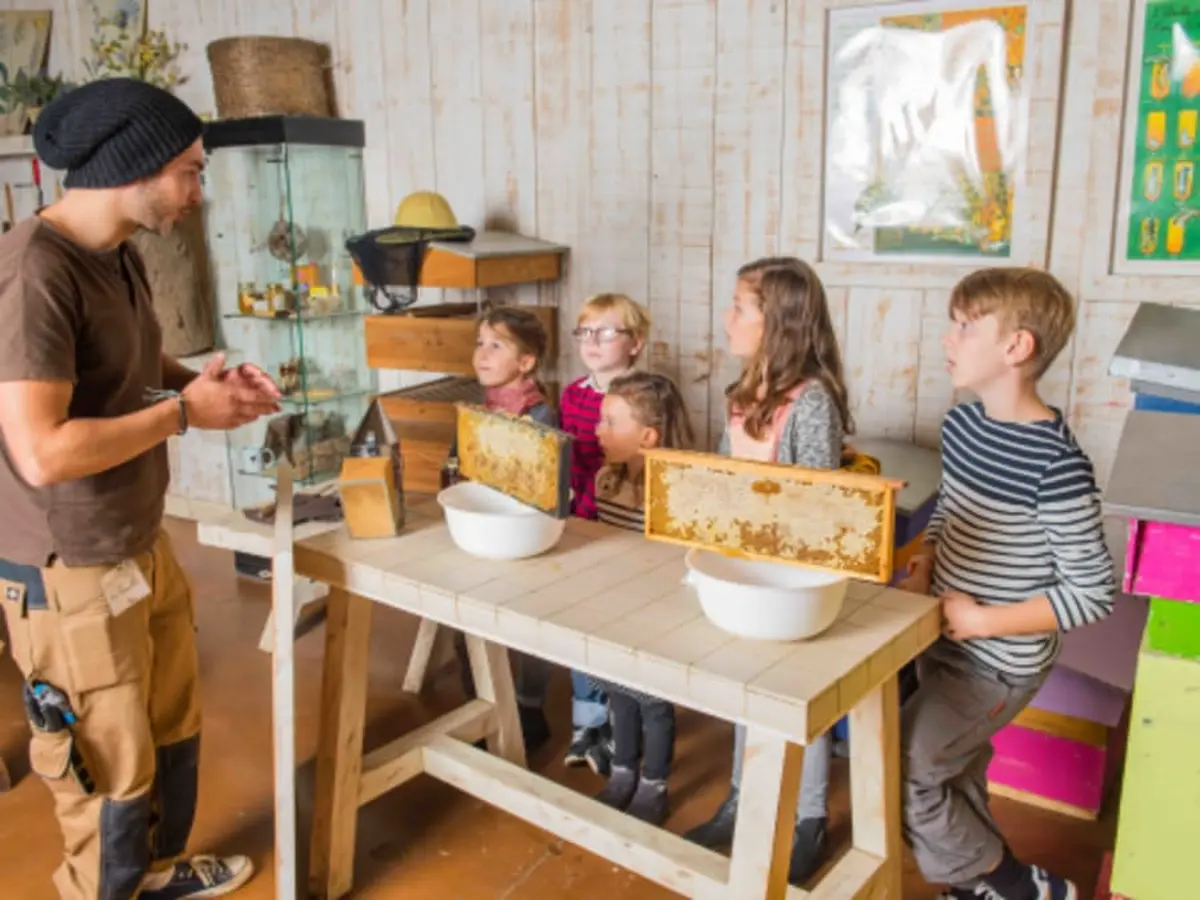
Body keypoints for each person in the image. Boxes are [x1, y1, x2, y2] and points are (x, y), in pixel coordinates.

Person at [0, 78, 284, 899]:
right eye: (191, 172)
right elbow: (42, 451)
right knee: (101, 758)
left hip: (133, 536)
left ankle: (149, 875)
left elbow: (131, 366)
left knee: (164, 726)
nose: (199, 194)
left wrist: (205, 386)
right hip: (66, 563)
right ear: (137, 170)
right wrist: (184, 417)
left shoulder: (115, 252)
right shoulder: (32, 276)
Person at [895, 267, 1115, 900]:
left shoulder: (1057, 466)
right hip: (943, 639)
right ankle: (976, 890)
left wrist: (982, 621)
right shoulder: (963, 426)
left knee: (911, 766)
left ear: (1017, 348)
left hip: (997, 662)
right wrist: (927, 560)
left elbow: (1091, 592)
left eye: (965, 327)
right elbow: (949, 510)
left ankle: (1020, 888)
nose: (948, 339)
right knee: (951, 772)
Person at [683, 256, 857, 885]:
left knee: (792, 698)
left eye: (740, 307)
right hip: (746, 571)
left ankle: (808, 817)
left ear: (777, 322)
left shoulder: (809, 402)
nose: (728, 317)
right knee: (743, 684)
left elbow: (820, 509)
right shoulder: (743, 394)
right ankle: (740, 799)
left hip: (793, 582)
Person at [586, 372, 693, 824]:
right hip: (614, 607)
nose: (598, 430)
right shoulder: (605, 480)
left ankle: (654, 781)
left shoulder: (674, 495)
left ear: (648, 436)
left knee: (653, 700)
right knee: (618, 692)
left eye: (611, 421)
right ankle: (624, 770)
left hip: (656, 614)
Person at [448, 305, 555, 754]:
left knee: (530, 618)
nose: (482, 354)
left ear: (526, 362)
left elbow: (543, 488)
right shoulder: (475, 410)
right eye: (479, 343)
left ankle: (528, 705)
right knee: (459, 612)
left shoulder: (540, 415)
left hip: (523, 533)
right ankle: (482, 702)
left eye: (497, 345)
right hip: (479, 528)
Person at [558, 292, 651, 774]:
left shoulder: (647, 400)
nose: (592, 341)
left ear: (635, 343)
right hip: (582, 521)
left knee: (619, 630)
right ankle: (587, 724)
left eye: (607, 332)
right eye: (585, 332)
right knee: (579, 625)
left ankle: (619, 727)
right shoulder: (572, 394)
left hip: (625, 526)